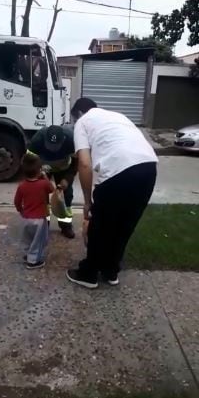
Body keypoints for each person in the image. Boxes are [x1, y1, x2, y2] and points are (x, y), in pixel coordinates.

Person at [66, 98, 158, 289]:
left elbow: (84, 163)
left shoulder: (83, 122)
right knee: (125, 225)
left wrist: (87, 201)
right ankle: (110, 271)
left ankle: (88, 274)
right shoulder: (117, 116)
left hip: (118, 171)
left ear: (78, 114)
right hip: (149, 167)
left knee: (100, 226)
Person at [27, 125, 77, 239]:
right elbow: (28, 163)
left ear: (63, 140)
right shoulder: (37, 140)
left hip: (63, 168)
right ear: (45, 139)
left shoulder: (71, 140)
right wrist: (38, 175)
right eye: (50, 146)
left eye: (56, 147)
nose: (52, 149)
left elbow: (76, 164)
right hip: (43, 169)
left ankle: (66, 225)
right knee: (40, 196)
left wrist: (67, 179)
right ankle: (44, 225)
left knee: (66, 196)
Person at [14, 153, 55, 270]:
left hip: (25, 218)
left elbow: (17, 201)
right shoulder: (43, 184)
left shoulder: (21, 186)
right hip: (39, 219)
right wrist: (45, 177)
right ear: (39, 170)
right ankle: (33, 261)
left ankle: (28, 255)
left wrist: (20, 210)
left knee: (27, 238)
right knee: (39, 240)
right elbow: (52, 190)